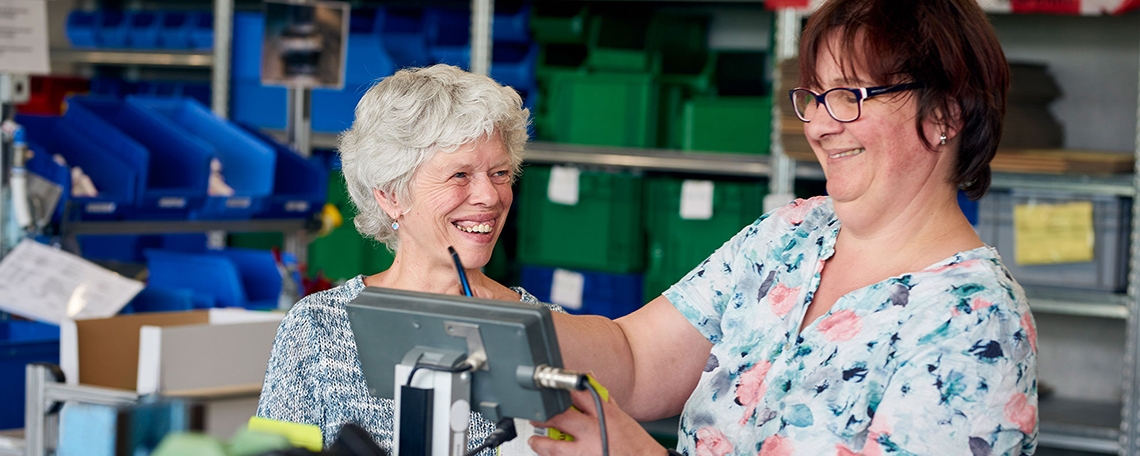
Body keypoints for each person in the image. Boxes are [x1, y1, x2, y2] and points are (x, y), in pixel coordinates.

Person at [528, 0, 1037, 454]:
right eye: (814, 96)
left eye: (849, 95)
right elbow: (635, 359)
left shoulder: (975, 321)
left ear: (946, 110)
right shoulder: (792, 233)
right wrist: (481, 307)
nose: (818, 125)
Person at [257, 64, 562, 453]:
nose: (490, 196)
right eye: (460, 175)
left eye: (500, 172)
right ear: (391, 195)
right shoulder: (319, 328)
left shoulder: (552, 333)